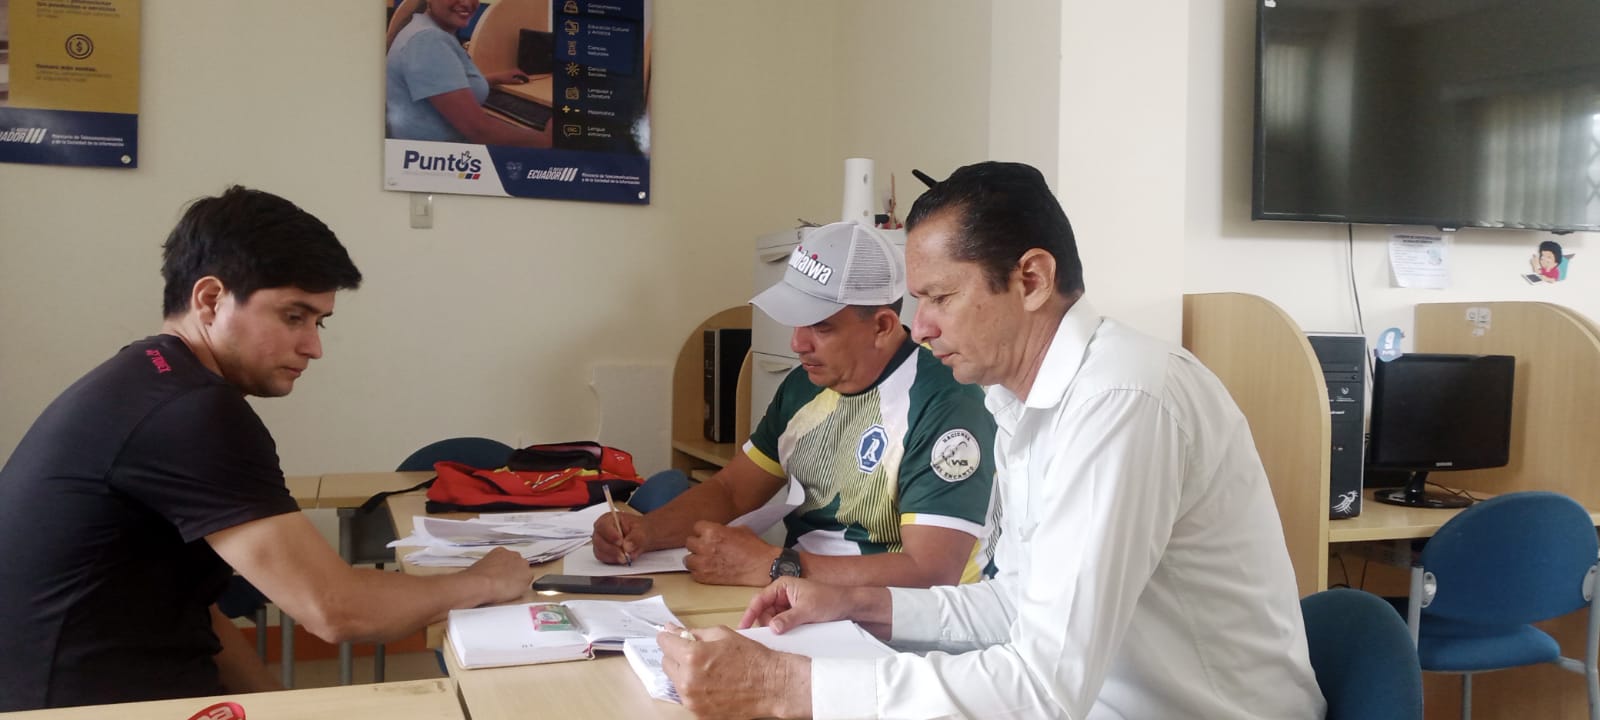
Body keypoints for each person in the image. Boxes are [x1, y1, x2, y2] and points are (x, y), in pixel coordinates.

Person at [654, 163, 1324, 719]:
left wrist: (784, 685)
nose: (920, 328)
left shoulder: (1122, 401)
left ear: (1031, 280)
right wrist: (854, 601)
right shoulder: (1022, 402)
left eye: (940, 298)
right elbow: (1016, 605)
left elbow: (1043, 688)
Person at [0, 186, 536, 711]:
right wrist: (483, 580)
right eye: (293, 316)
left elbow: (192, 607)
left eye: (319, 322)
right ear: (210, 300)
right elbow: (337, 609)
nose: (314, 347)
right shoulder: (191, 412)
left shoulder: (148, 377)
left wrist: (279, 706)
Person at [592, 221, 999, 589]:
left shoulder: (946, 401)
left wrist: (775, 566)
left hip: (899, 625)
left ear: (881, 326)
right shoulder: (805, 385)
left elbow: (931, 571)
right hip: (804, 596)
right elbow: (732, 491)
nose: (797, 343)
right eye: (796, 321)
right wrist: (645, 532)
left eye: (821, 326)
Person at [385, 0, 552, 147]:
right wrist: (546, 140)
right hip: (439, 160)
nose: (467, 3)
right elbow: (480, 131)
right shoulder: (428, 41)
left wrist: (493, 79)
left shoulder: (421, 27)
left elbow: (439, 84)